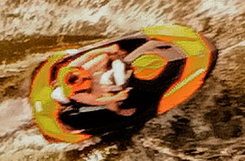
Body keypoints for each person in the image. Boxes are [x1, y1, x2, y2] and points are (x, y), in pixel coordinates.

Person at [50, 30, 198, 148]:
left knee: (102, 58)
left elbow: (90, 55)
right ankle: (120, 112)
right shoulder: (77, 95)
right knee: (111, 103)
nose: (82, 79)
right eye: (80, 81)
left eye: (80, 77)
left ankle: (121, 60)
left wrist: (108, 50)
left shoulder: (73, 68)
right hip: (97, 89)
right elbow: (98, 100)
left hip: (97, 74)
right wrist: (117, 97)